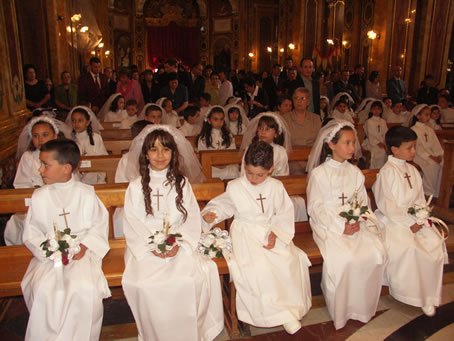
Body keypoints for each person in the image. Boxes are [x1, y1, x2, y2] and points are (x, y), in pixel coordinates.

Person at [121, 126, 221, 340]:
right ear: (145, 153)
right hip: (145, 247)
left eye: (165, 150)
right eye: (154, 150)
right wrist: (152, 247)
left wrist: (178, 244)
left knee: (189, 280)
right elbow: (132, 221)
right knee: (143, 284)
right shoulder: (135, 186)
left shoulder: (182, 183)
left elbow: (191, 217)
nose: (159, 156)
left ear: (174, 153)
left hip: (179, 244)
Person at [202, 140, 312, 334]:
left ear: (271, 169)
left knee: (291, 261)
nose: (253, 178)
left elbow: (284, 212)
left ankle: (287, 311)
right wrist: (212, 213)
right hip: (246, 233)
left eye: (259, 175)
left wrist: (276, 233)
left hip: (271, 232)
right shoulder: (236, 186)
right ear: (244, 166)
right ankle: (267, 314)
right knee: (257, 267)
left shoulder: (276, 187)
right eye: (249, 172)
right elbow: (224, 204)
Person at [21, 139, 110, 340]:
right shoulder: (39, 196)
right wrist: (49, 251)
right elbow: (32, 233)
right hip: (48, 258)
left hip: (81, 255)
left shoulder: (86, 194)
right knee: (44, 289)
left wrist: (85, 246)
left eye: (45, 164)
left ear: (66, 168)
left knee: (83, 288)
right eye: (40, 164)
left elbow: (99, 225)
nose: (40, 169)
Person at [306, 119, 386, 330]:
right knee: (344, 258)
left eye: (354, 142)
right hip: (328, 224)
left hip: (355, 222)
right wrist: (341, 227)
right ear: (332, 145)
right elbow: (315, 207)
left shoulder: (355, 172)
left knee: (374, 253)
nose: (353, 148)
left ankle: (361, 306)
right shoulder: (319, 173)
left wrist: (358, 220)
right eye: (347, 143)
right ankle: (341, 310)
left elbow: (363, 203)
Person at [372, 126, 448, 317]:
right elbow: (387, 205)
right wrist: (409, 223)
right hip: (393, 220)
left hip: (415, 219)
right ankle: (411, 294)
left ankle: (428, 294)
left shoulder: (413, 170)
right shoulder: (387, 172)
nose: (414, 151)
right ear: (394, 149)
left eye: (414, 147)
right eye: (409, 148)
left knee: (434, 243)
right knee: (409, 248)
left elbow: (420, 199)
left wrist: (421, 217)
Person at [5, 116, 70, 246]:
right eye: (35, 136)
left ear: (55, 135)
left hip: (61, 200)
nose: (40, 139)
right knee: (16, 221)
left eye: (45, 135)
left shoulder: (63, 154)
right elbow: (21, 184)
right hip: (34, 201)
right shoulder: (28, 157)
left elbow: (70, 180)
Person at [283, 87, 322, 174]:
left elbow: (320, 142)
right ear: (293, 101)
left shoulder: (315, 118)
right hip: (292, 160)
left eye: (303, 98)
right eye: (296, 98)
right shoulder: (285, 119)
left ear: (308, 102)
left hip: (312, 158)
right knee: (297, 171)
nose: (299, 101)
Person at [66, 106, 108, 184]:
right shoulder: (70, 140)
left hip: (94, 176)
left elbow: (103, 158)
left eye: (80, 121)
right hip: (76, 178)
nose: (76, 124)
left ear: (88, 122)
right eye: (73, 120)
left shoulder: (96, 138)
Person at [410, 105, 444, 197]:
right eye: (426, 114)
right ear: (418, 116)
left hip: (432, 154)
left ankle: (439, 192)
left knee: (443, 163)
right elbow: (418, 147)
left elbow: (435, 144)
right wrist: (431, 156)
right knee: (432, 165)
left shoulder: (429, 129)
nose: (428, 117)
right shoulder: (414, 130)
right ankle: (429, 192)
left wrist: (439, 155)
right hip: (419, 156)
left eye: (429, 115)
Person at [196, 106, 239, 179]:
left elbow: (233, 153)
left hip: (227, 165)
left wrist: (225, 163)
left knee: (234, 173)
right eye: (215, 119)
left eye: (221, 119)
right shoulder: (203, 138)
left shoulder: (228, 136)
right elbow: (202, 157)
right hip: (211, 167)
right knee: (209, 175)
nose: (219, 122)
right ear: (209, 120)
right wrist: (217, 164)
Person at [362, 101, 388, 169]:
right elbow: (370, 134)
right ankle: (374, 170)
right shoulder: (369, 121)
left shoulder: (383, 121)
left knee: (385, 152)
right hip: (372, 143)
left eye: (378, 109)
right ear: (371, 110)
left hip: (382, 142)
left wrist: (384, 143)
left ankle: (383, 171)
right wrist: (378, 143)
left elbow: (385, 133)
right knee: (379, 152)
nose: (376, 111)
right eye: (374, 109)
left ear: (381, 110)